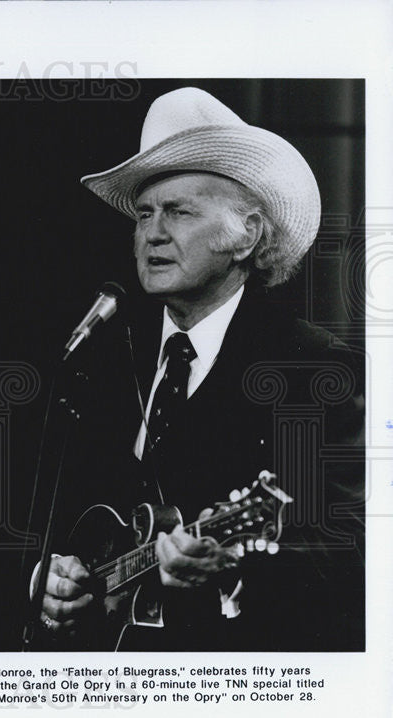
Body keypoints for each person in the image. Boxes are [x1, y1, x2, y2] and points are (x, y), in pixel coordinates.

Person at [35, 87, 364, 651]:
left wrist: (233, 571)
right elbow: (54, 519)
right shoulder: (106, 357)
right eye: (143, 214)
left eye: (179, 211)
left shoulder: (313, 369)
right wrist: (53, 582)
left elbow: (356, 549)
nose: (152, 234)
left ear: (247, 235)